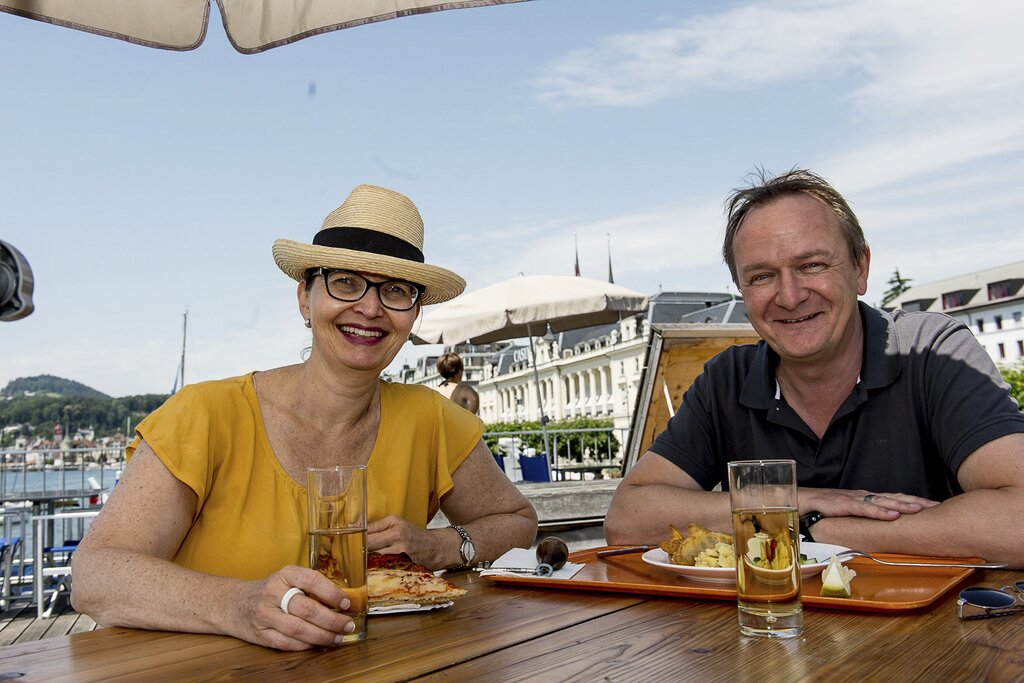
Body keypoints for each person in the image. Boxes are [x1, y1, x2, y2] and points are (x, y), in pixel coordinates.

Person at [71, 184, 539, 650]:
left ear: (412, 315)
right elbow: (96, 575)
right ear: (305, 297)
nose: (371, 308)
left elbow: (517, 521)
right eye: (346, 282)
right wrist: (238, 605)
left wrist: (437, 547)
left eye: (396, 291)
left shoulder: (431, 419)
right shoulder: (205, 415)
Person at [604, 169, 1024, 567]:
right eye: (763, 276)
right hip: (764, 635)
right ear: (742, 289)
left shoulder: (930, 351)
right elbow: (626, 520)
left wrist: (822, 531)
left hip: (932, 638)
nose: (789, 296)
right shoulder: (726, 380)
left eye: (812, 266)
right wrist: (800, 500)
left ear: (860, 268)